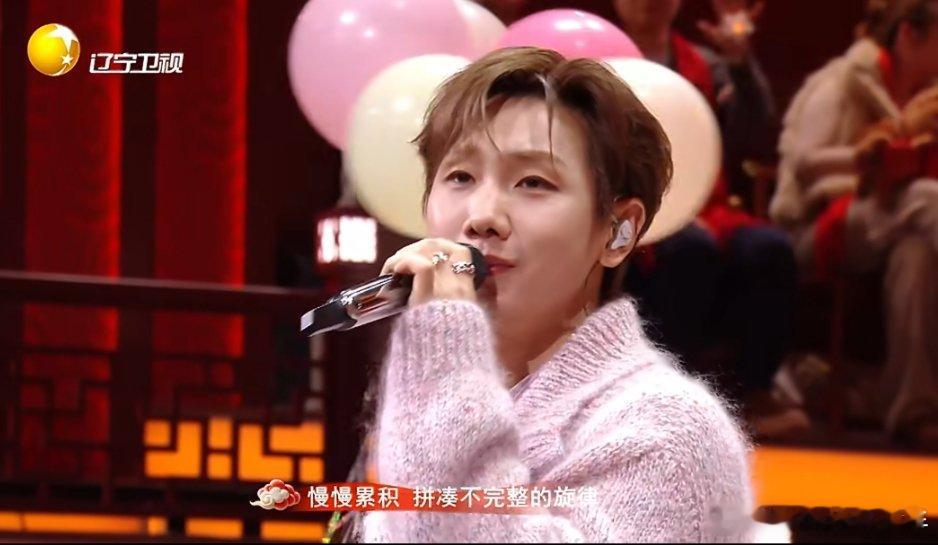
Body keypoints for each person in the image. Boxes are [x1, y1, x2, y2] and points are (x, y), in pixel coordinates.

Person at [334, 47, 786, 543]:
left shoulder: (671, 433)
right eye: (460, 176)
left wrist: (444, 358)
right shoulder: (436, 389)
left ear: (618, 231)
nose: (482, 217)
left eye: (533, 182)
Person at [611, 0, 809, 440]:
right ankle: (669, 399)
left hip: (705, 203)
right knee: (689, 251)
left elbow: (754, 134)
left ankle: (753, 392)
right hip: (625, 207)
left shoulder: (705, 64)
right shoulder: (600, 60)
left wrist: (740, 64)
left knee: (770, 250)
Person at [772, 0, 938, 448]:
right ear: (910, 35)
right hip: (818, 226)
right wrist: (880, 161)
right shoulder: (842, 81)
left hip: (899, 225)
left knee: (916, 256)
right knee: (927, 198)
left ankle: (915, 411)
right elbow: (806, 164)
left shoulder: (929, 95)